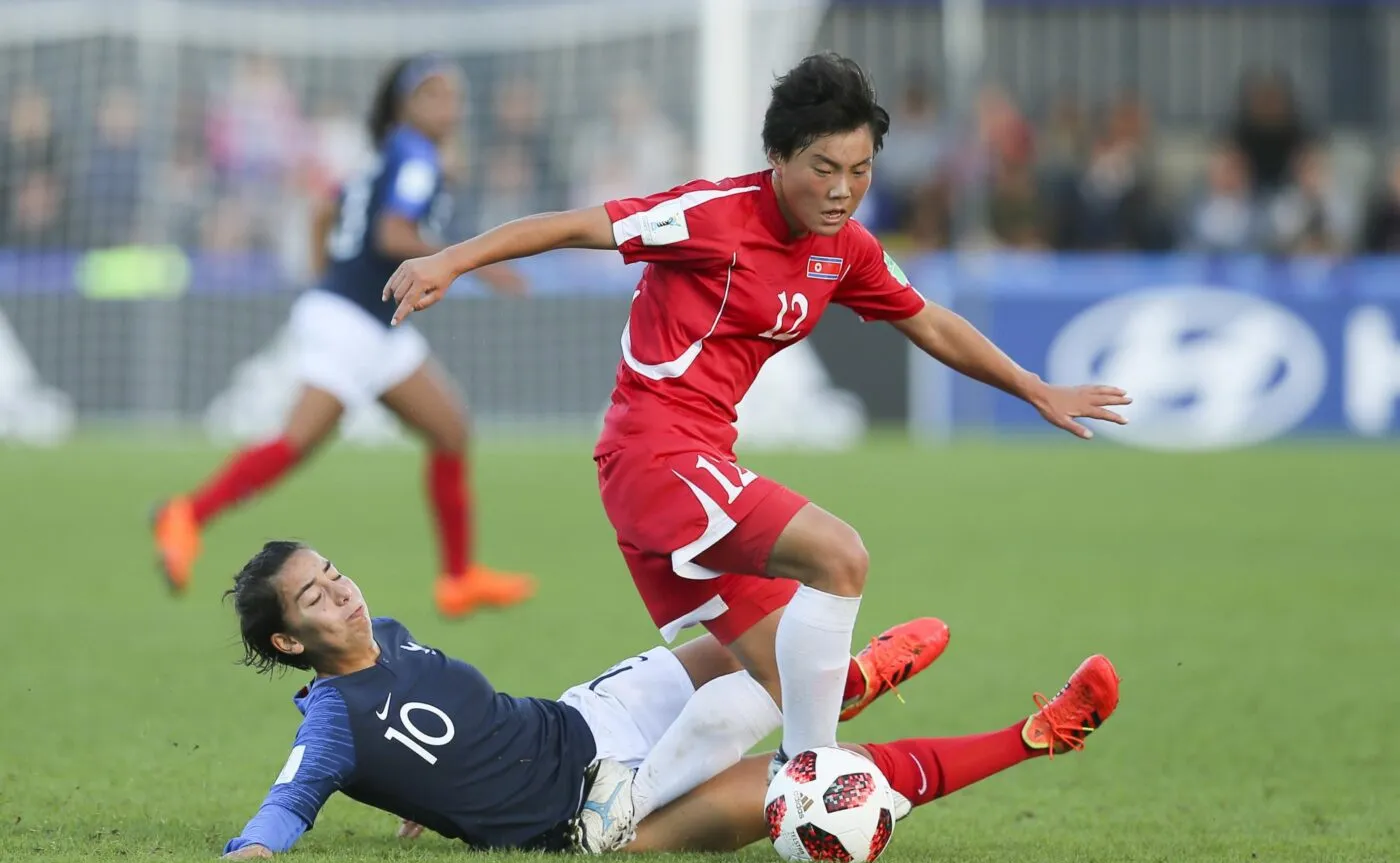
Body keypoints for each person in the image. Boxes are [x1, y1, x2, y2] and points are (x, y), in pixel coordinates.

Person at [380, 52, 1131, 776]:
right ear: (777, 155)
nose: (843, 190)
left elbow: (928, 320)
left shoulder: (845, 249)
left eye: (861, 171)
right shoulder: (713, 216)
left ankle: (543, 776)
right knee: (841, 557)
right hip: (656, 456)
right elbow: (578, 224)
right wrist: (450, 260)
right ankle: (809, 783)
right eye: (824, 169)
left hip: (698, 464)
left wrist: (1035, 387)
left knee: (799, 685)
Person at [218, 540, 963, 858]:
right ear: (289, 641)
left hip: (590, 712)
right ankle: (1032, 731)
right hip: (603, 813)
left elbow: (443, 727)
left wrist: (425, 784)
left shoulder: (387, 630)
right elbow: (291, 799)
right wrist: (254, 846)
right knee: (826, 778)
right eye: (314, 596)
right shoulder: (332, 722)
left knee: (765, 634)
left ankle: (848, 681)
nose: (341, 590)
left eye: (334, 571)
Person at [151, 55, 533, 618]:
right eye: (435, 96)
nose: (450, 108)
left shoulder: (389, 156)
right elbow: (392, 232)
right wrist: (467, 262)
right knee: (295, 444)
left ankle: (459, 578)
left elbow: (324, 212)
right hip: (353, 323)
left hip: (366, 321)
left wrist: (324, 279)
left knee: (450, 429)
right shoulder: (416, 157)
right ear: (406, 105)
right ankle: (186, 513)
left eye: (454, 96)